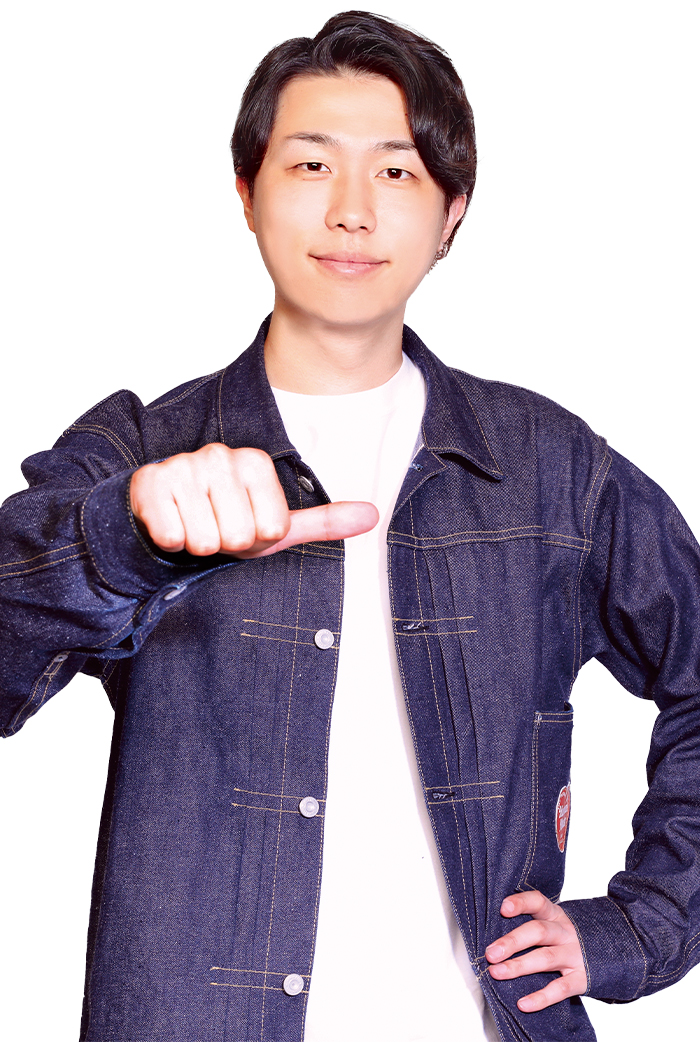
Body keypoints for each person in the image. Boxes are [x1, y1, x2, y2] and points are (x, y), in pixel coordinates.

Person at [1, 10, 698, 1042]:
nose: (352, 211)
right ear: (246, 192)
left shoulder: (552, 471)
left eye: (397, 172)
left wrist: (643, 924)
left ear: (453, 211)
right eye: (311, 164)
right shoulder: (142, 449)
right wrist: (124, 536)